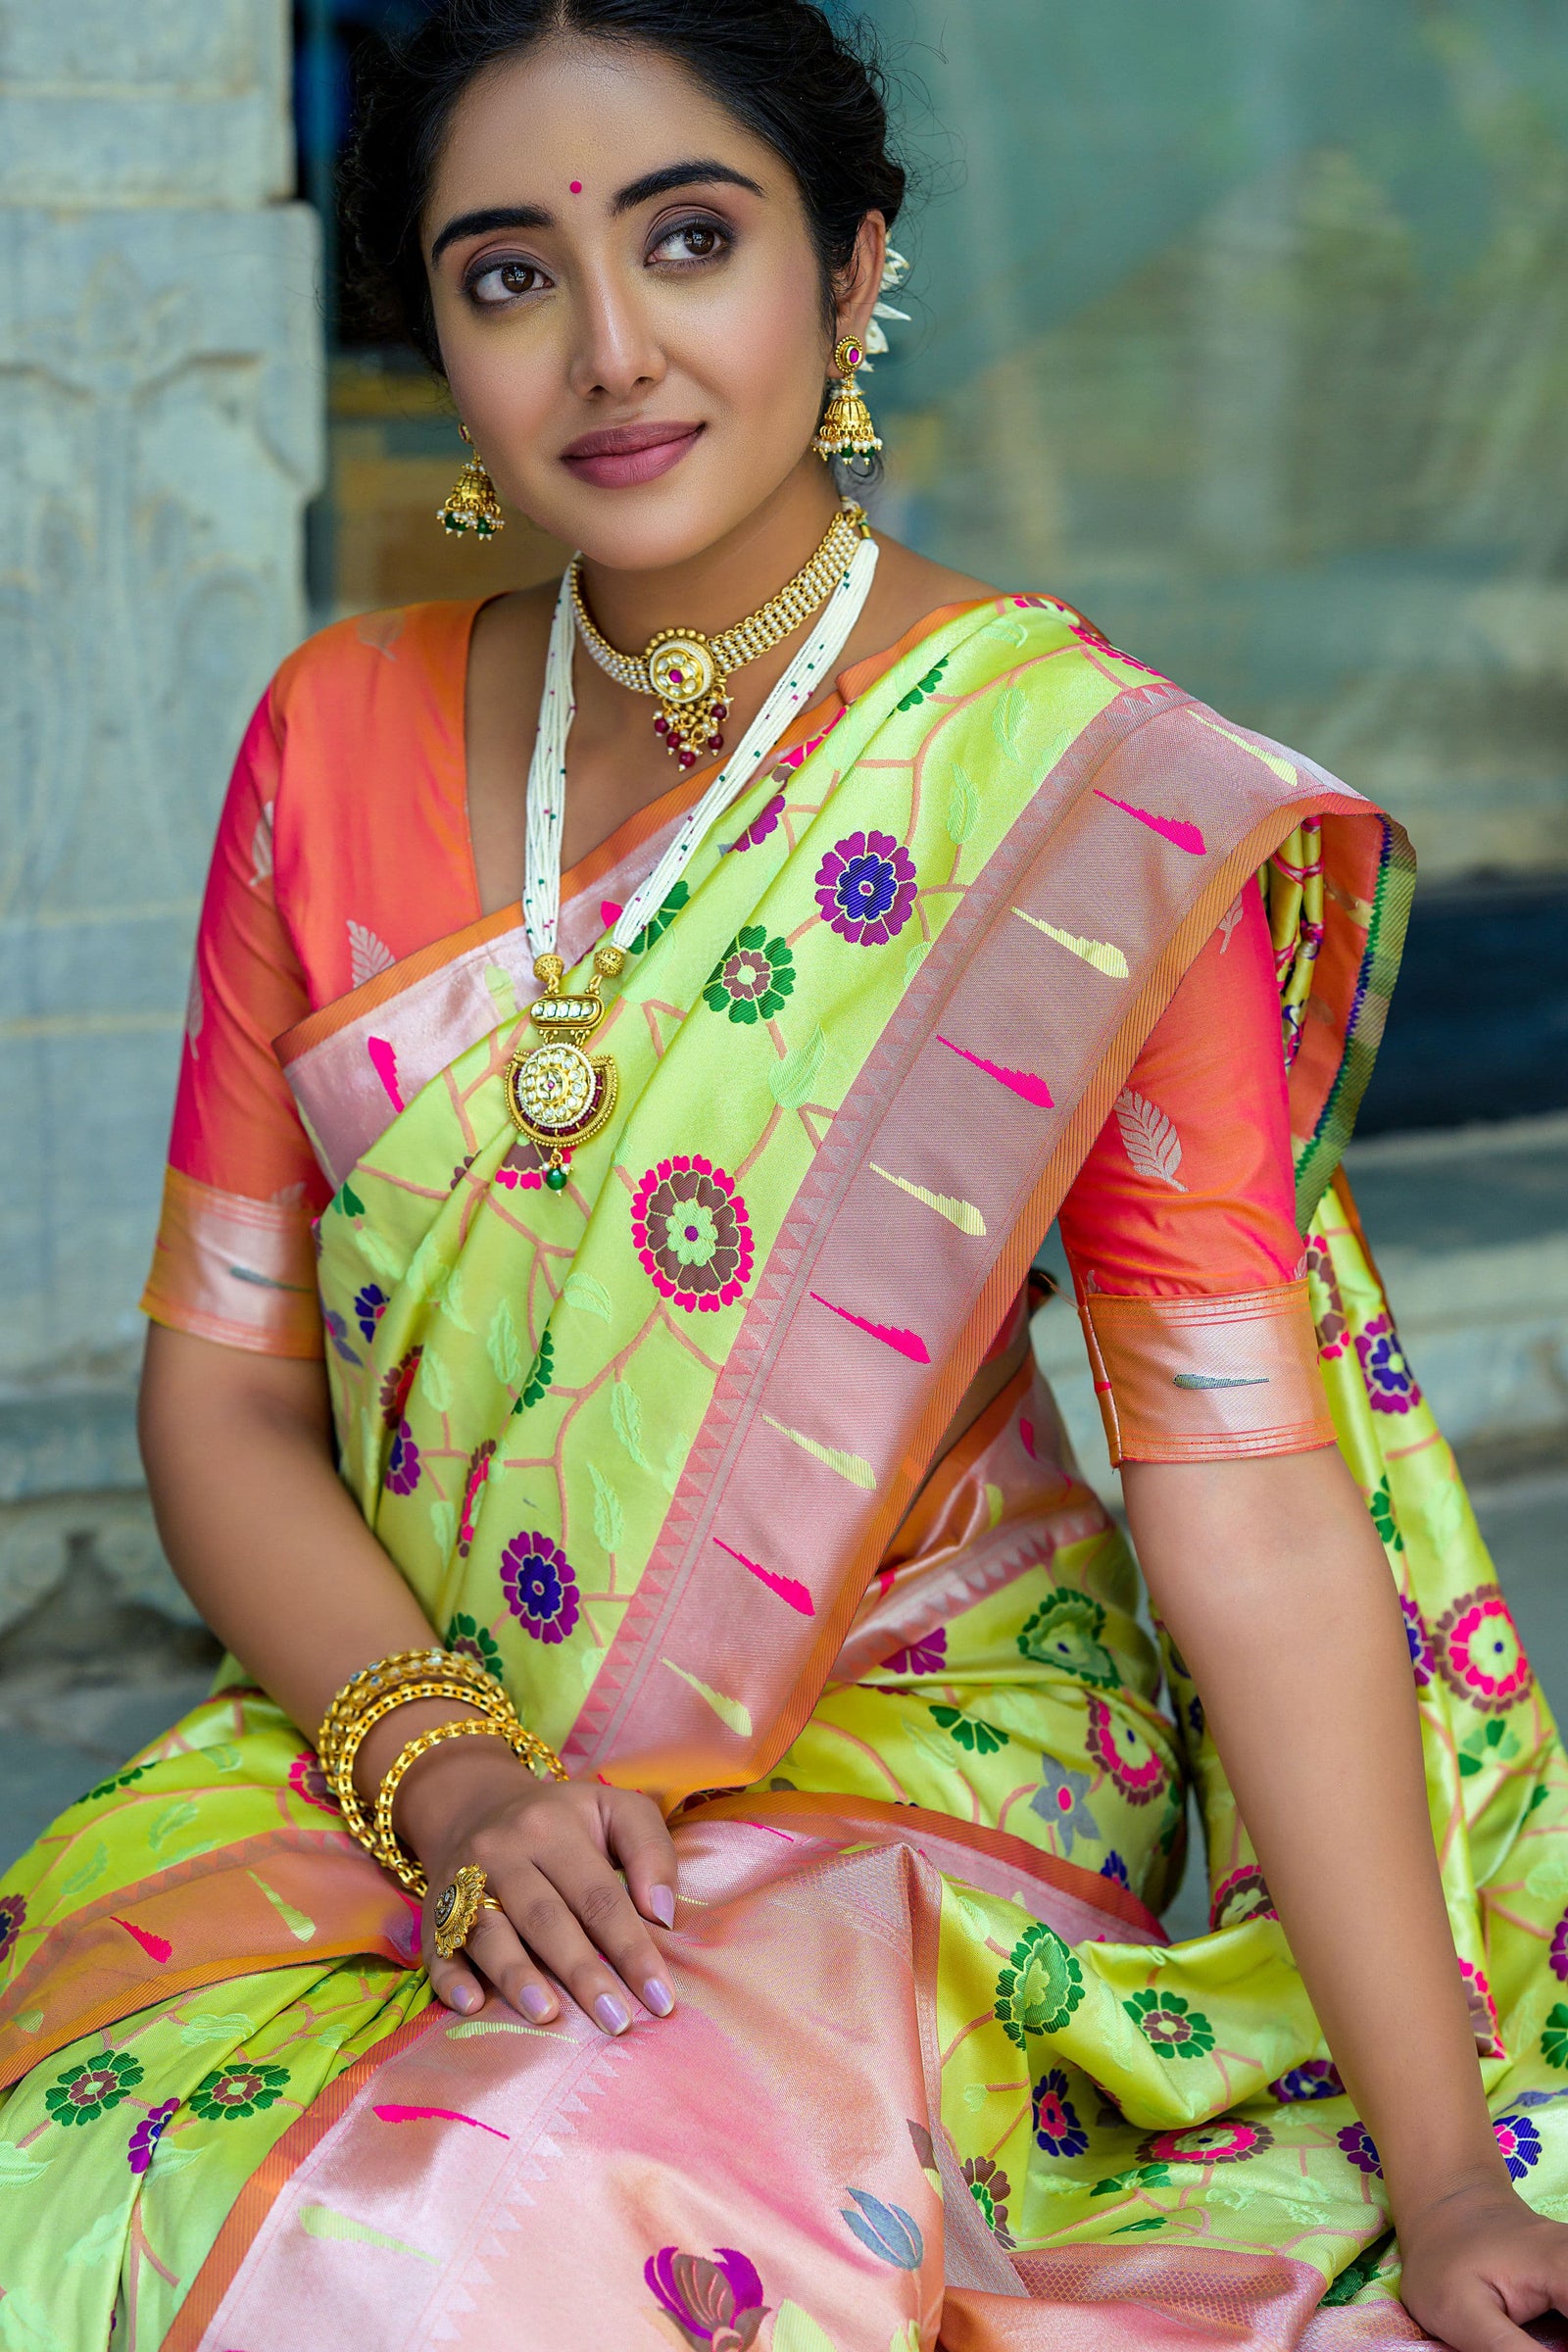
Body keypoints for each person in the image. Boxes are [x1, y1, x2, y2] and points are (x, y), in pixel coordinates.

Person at [1, 4, 1565, 2345]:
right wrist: (443, 1770)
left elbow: (1236, 1499)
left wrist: (1443, 2178)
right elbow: (219, 1395)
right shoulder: (328, 738)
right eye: (507, 275)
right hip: (417, 1728)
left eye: (691, 241)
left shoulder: (1063, 796)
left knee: (450, 2237)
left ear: (849, 279)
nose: (608, 351)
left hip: (916, 1748)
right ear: (431, 328)